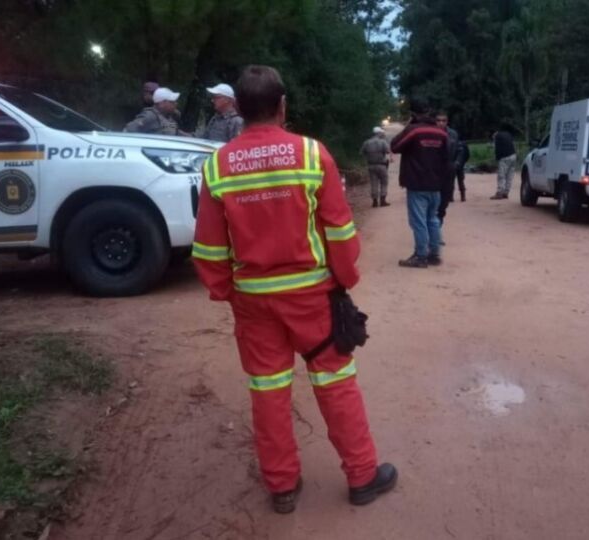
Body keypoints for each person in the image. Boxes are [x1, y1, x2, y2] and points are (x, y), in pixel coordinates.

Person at [192, 65, 397, 513]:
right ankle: (362, 477)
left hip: (254, 303)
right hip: (313, 298)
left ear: (240, 109)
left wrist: (229, 292)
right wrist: (344, 280)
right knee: (337, 384)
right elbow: (339, 230)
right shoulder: (310, 154)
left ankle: (282, 486)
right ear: (283, 105)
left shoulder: (216, 165)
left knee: (268, 393)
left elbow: (208, 248)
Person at [391, 98, 449, 268]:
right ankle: (435, 254)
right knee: (433, 219)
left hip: (417, 184)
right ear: (430, 112)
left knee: (419, 221)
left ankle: (420, 256)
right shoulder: (441, 133)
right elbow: (446, 158)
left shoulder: (413, 131)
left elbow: (394, 146)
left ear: (413, 113)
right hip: (436, 185)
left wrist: (409, 124)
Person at [435, 111, 458, 224]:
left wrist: (456, 163)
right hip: (433, 171)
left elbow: (459, 149)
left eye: (443, 120)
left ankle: (439, 222)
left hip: (448, 170)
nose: (441, 123)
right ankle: (435, 233)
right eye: (438, 120)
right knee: (434, 201)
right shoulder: (431, 133)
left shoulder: (452, 134)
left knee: (444, 201)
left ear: (447, 121)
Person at [359, 126, 391, 207]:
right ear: (379, 133)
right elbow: (387, 151)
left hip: (371, 165)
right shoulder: (382, 142)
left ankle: (375, 201)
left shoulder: (366, 142)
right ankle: (383, 200)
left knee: (374, 183)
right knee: (384, 182)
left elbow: (361, 153)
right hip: (382, 165)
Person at [491, 123, 516, 200]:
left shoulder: (497, 136)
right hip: (513, 155)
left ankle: (499, 193)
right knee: (509, 175)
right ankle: (506, 192)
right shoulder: (508, 134)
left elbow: (497, 149)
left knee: (501, 175)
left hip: (504, 157)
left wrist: (497, 159)